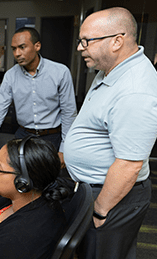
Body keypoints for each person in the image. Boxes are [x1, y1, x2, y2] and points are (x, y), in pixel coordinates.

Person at [64, 7, 157, 259]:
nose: (80, 48)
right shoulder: (111, 69)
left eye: (87, 41)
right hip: (95, 189)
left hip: (113, 197)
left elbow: (129, 164)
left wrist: (100, 211)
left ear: (117, 41)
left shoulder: (135, 89)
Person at [0, 27, 77, 168]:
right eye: (14, 49)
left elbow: (69, 113)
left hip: (52, 138)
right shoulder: (10, 76)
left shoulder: (60, 72)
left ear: (37, 46)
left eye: (22, 47)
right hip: (23, 136)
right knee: (16, 179)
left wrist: (64, 149)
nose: (17, 53)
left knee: (47, 184)